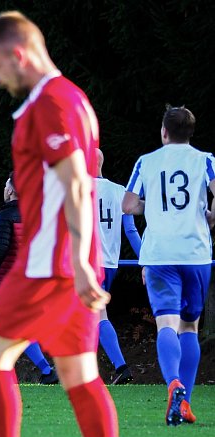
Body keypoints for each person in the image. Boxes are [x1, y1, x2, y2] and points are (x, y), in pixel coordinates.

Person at [0, 11, 124, 437]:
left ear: (18, 54)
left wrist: (77, 258)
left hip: (47, 264)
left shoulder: (50, 104)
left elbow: (77, 181)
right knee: (79, 374)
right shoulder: (72, 98)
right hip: (69, 260)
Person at [122, 105, 215, 425]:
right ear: (190, 132)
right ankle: (184, 401)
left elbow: (129, 204)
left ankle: (172, 383)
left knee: (166, 325)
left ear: (164, 132)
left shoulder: (146, 162)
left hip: (159, 255)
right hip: (195, 253)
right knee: (190, 326)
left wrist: (154, 204)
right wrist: (209, 213)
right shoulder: (205, 160)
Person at [0, 172, 58, 385]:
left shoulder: (7, 215)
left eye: (5, 185)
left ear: (11, 190)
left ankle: (46, 370)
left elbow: (0, 250)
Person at [95, 148, 142, 385]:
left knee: (96, 315)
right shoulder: (119, 191)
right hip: (109, 264)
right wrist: (145, 259)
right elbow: (131, 230)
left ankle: (121, 367)